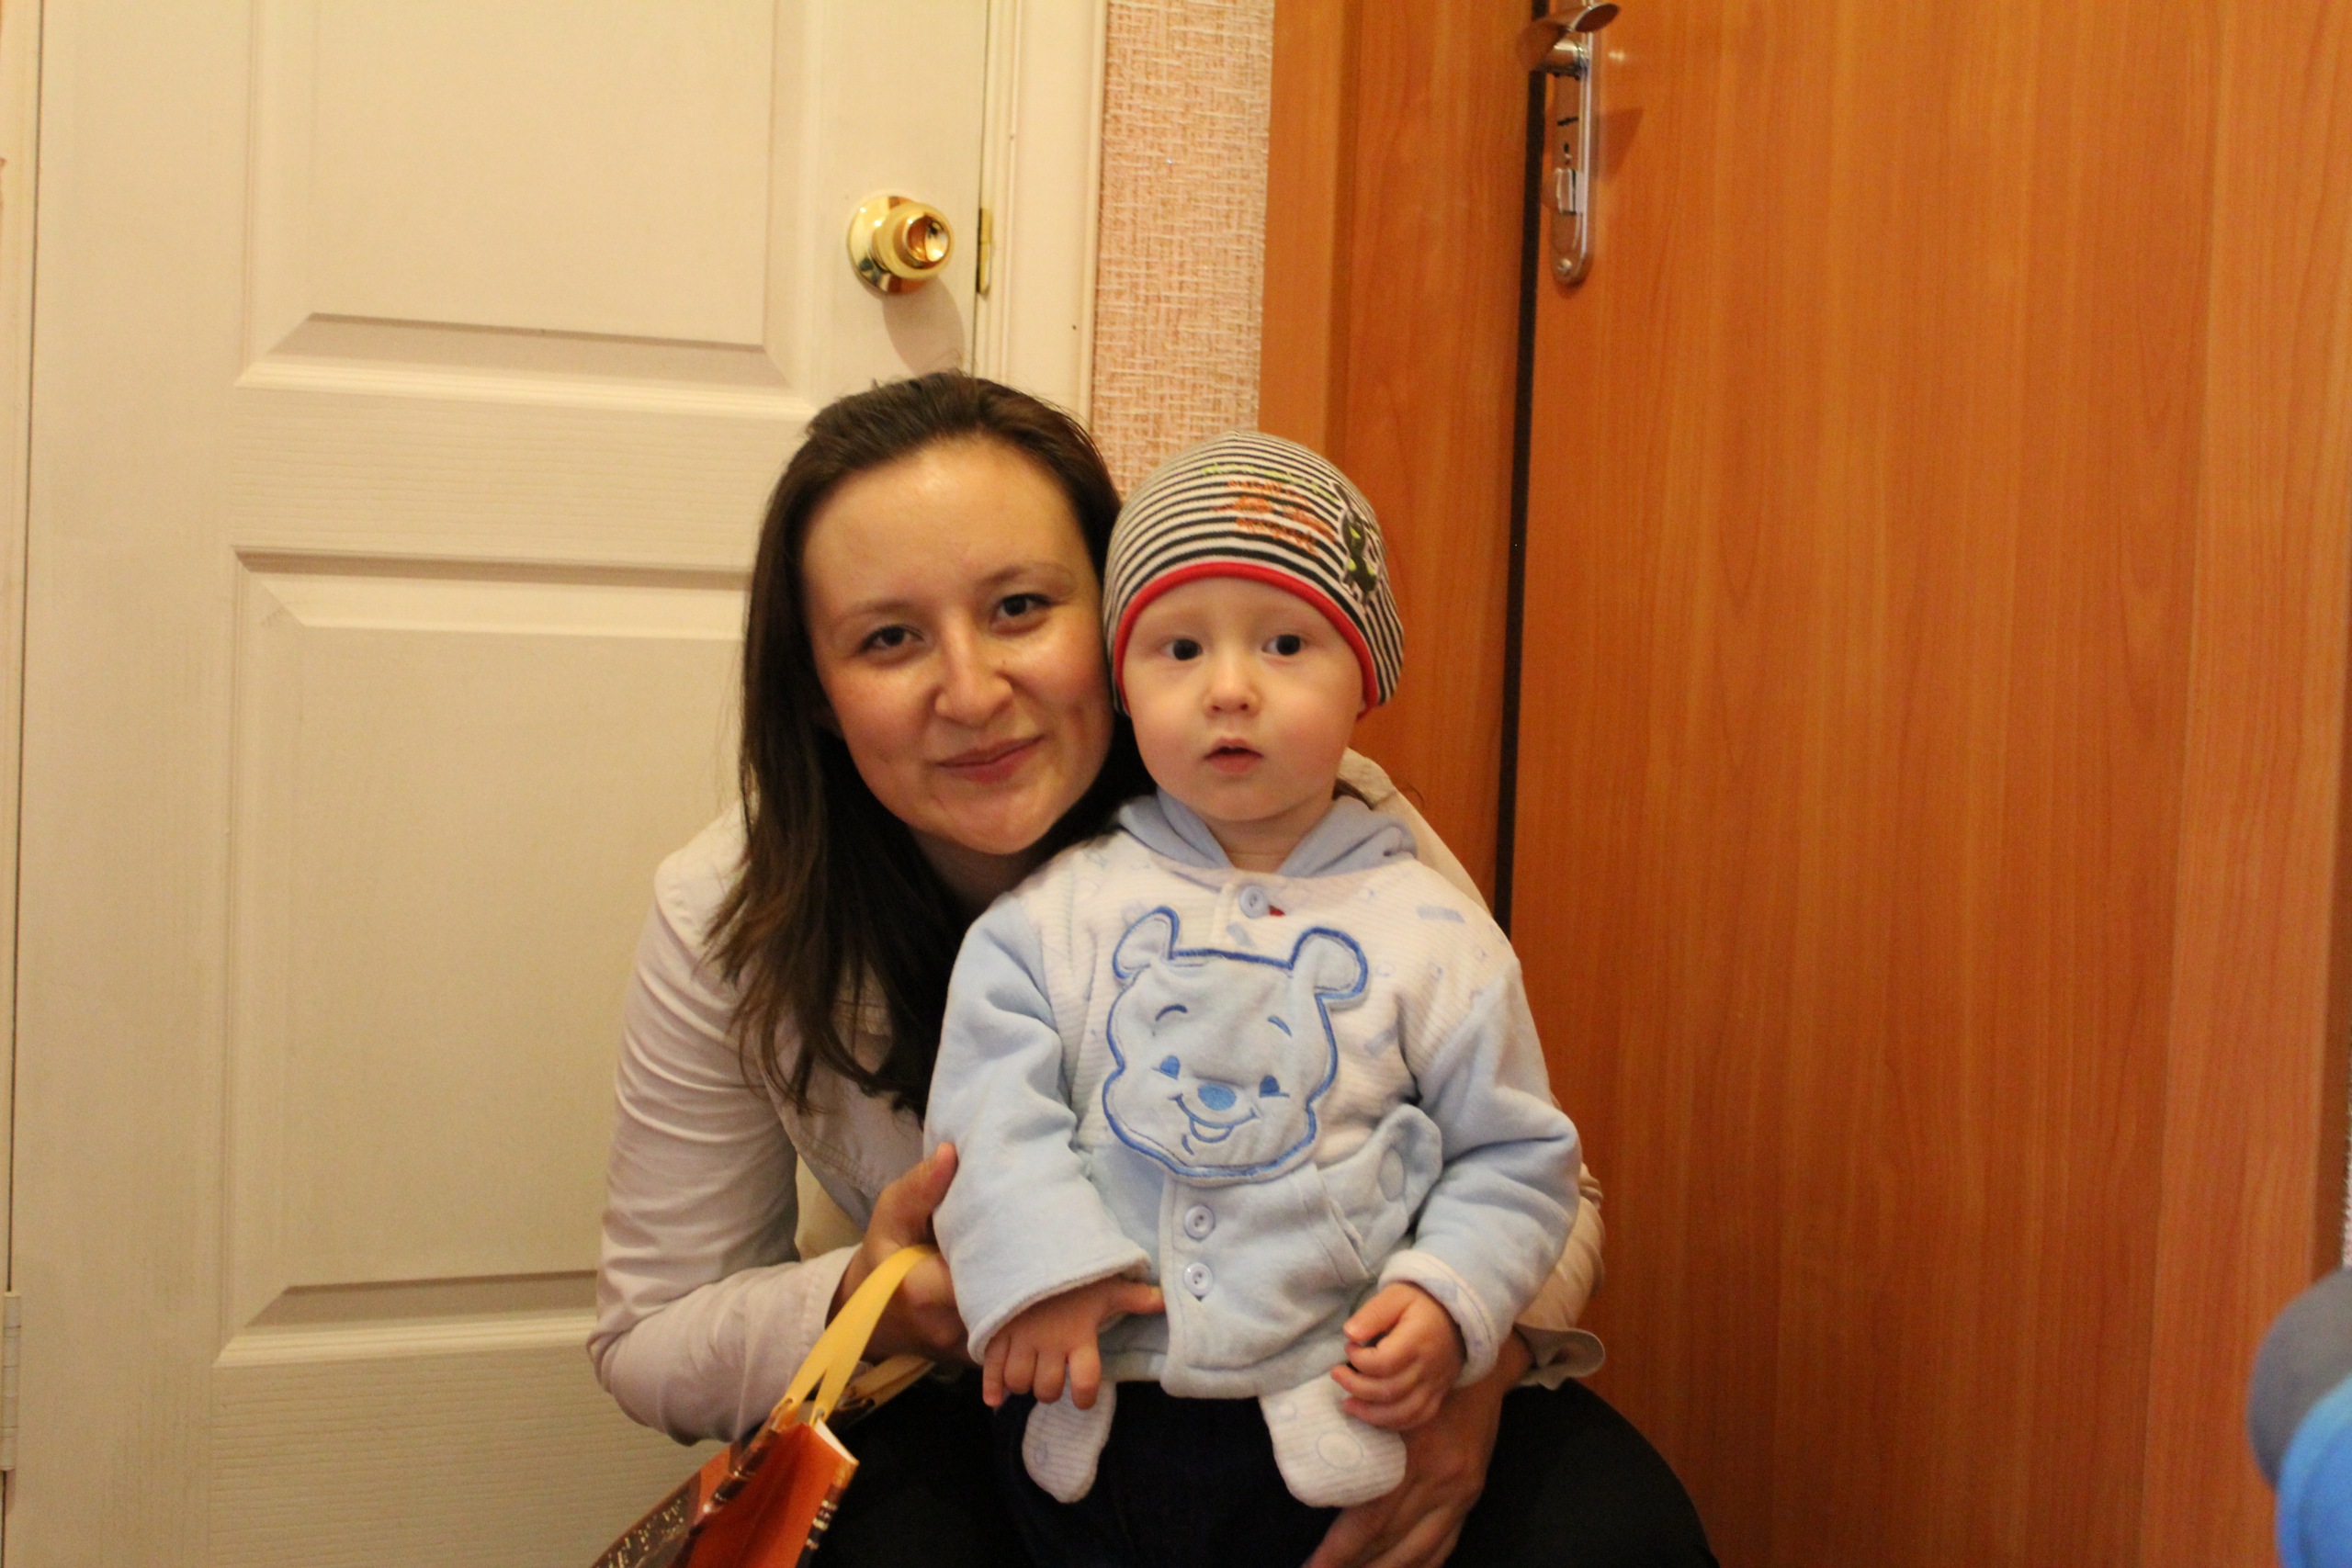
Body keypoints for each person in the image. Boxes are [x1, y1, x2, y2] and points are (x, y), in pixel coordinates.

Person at [590, 371, 1715, 1567]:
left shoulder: (1319, 830)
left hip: (1331, 1369)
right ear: (818, 692)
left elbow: (1545, 1181)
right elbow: (649, 1336)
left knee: (1610, 1529)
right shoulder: (737, 907)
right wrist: (872, 1298)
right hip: (1007, 1396)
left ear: (1116, 617)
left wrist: (1468, 1364)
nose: (970, 691)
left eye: (1020, 607)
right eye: (888, 638)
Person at [924, 432, 1581, 1566]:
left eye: (1286, 643)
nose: (1230, 689)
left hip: (1333, 1412)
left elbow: (1517, 1158)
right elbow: (987, 1114)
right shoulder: (1052, 919)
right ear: (1122, 686)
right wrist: (1037, 1271)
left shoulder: (1436, 936)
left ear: (1365, 678)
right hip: (1089, 1407)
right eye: (1179, 649)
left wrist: (1449, 1298)